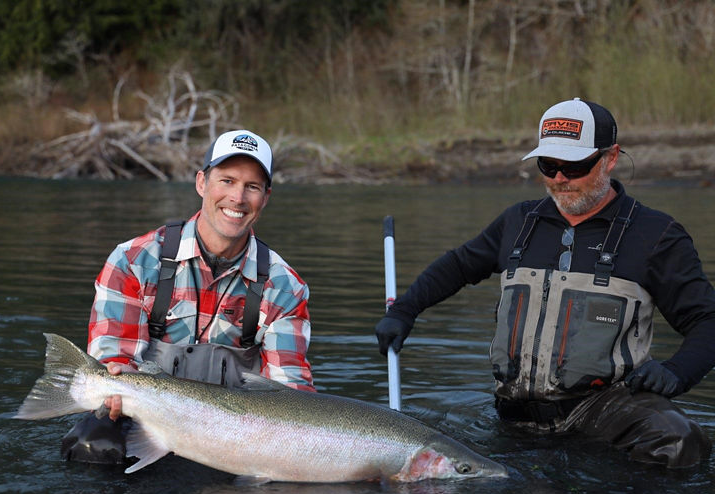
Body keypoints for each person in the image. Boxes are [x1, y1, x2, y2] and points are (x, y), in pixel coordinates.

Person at [375, 98, 715, 468]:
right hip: (513, 415)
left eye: (574, 166)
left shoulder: (657, 235)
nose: (559, 179)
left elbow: (707, 321)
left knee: (680, 441)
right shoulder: (517, 222)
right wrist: (404, 310)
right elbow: (458, 265)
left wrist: (677, 371)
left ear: (610, 158)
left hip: (606, 410)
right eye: (548, 165)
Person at [62, 129, 315, 463]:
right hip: (147, 418)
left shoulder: (285, 287)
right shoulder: (134, 260)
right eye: (226, 180)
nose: (237, 198)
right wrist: (112, 387)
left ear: (265, 198)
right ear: (201, 183)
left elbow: (292, 395)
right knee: (91, 442)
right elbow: (115, 361)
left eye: (251, 186)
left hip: (235, 437)